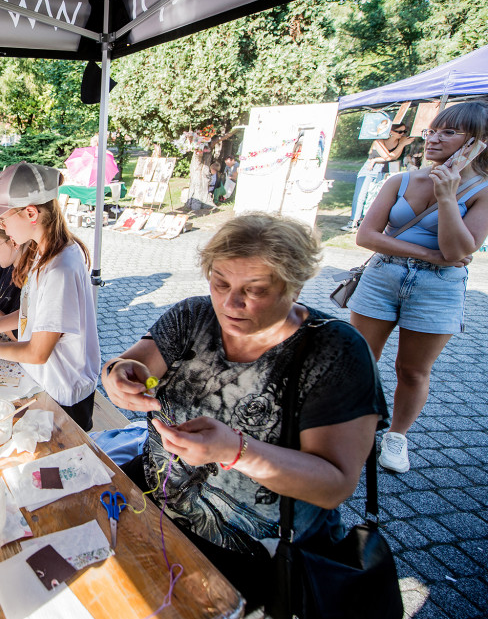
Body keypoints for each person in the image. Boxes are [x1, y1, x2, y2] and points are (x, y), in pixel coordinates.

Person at [102, 213, 386, 611]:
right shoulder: (193, 317)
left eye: (254, 290)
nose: (230, 303)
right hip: (152, 496)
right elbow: (130, 365)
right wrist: (117, 374)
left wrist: (235, 451)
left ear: (295, 285)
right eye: (220, 283)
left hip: (248, 550)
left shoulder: (334, 352)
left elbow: (334, 484)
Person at [349, 102, 488, 473]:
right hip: (383, 277)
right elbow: (367, 235)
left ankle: (396, 436)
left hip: (437, 289)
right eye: (432, 131)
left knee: (412, 370)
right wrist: (431, 253)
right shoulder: (402, 180)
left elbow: (459, 250)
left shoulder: (482, 192)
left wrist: (447, 197)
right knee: (359, 359)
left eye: (448, 132)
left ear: (477, 143)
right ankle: (348, 424)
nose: (433, 139)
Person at [0, 162, 101, 430]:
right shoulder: (43, 251)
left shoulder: (59, 269)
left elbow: (37, 352)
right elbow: (31, 313)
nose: (1, 225)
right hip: (45, 382)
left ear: (31, 213)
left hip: (64, 393)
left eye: (3, 218)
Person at [342, 124, 415, 232]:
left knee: (374, 196)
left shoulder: (399, 142)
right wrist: (402, 144)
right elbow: (387, 156)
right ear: (391, 131)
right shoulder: (378, 141)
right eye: (399, 132)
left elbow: (394, 157)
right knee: (361, 195)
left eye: (404, 132)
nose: (402, 134)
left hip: (383, 170)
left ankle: (364, 221)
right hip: (369, 169)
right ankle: (353, 221)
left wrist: (376, 159)